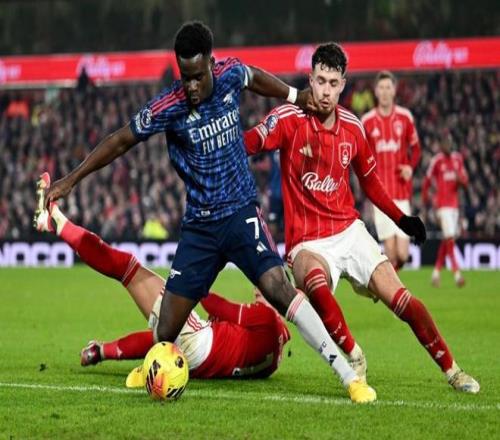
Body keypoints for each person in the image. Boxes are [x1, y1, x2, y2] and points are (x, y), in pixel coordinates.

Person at [43, 22, 374, 402]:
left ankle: (349, 376)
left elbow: (255, 77)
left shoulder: (230, 74)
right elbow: (120, 140)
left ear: (211, 65)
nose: (192, 86)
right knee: (166, 329)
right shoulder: (168, 106)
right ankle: (150, 365)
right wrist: (71, 180)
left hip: (240, 213)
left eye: (198, 76)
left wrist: (295, 95)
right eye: (185, 77)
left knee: (278, 288)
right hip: (200, 227)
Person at [244, 42, 479, 393]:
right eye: (320, 81)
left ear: (343, 84)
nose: (325, 91)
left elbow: (370, 182)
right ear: (310, 78)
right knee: (314, 283)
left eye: (332, 83)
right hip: (307, 241)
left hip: (350, 232)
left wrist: (402, 219)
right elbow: (250, 142)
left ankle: (453, 370)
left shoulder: (353, 128)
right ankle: (355, 355)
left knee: (403, 300)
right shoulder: (289, 118)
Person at [35, 172, 290, 379]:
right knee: (165, 329)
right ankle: (99, 351)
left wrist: (196, 274)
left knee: (127, 269)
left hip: (200, 342)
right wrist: (105, 351)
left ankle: (56, 221)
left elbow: (215, 305)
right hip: (197, 361)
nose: (258, 289)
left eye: (263, 289)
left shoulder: (267, 318)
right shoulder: (275, 359)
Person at [361, 71, 422, 271]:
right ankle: (393, 288)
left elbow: (416, 149)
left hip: (402, 193)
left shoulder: (405, 117)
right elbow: (361, 156)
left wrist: (410, 167)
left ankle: (389, 283)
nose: (385, 92)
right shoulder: (367, 121)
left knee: (403, 255)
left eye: (388, 87)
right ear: (376, 92)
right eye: (381, 88)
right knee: (392, 253)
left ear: (394, 91)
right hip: (382, 197)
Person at [422, 131, 468, 287]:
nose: (448, 145)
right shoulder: (437, 161)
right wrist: (426, 202)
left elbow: (465, 183)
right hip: (442, 206)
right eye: (446, 143)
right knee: (449, 239)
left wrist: (460, 180)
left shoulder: (458, 159)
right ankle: (457, 274)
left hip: (454, 206)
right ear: (441, 146)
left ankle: (436, 273)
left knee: (447, 240)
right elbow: (427, 181)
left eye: (450, 142)